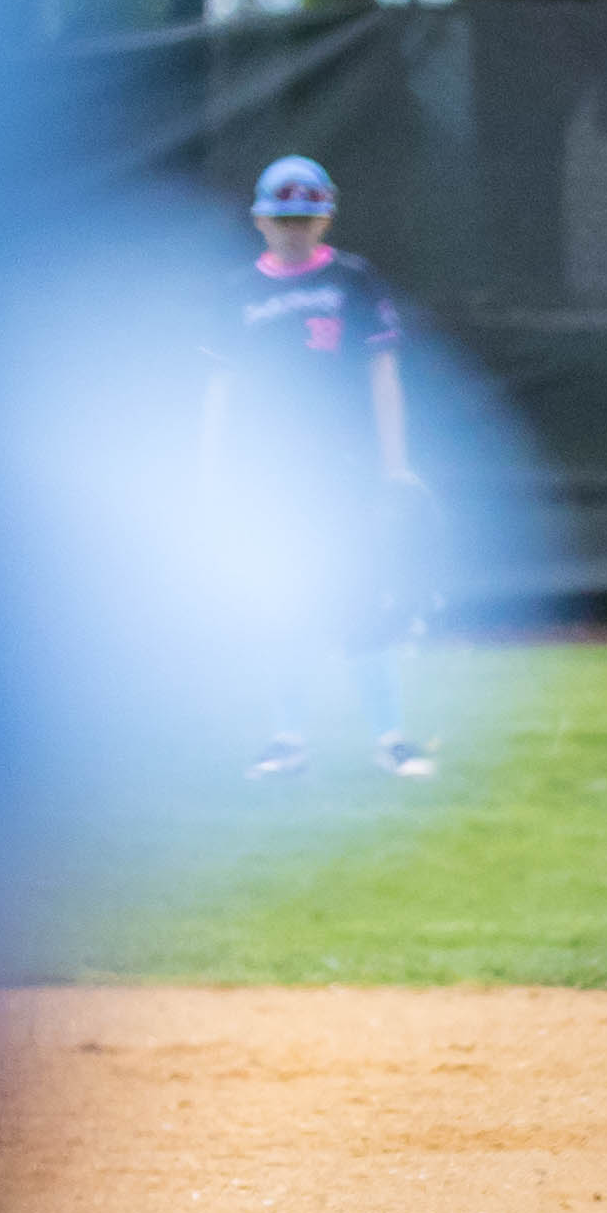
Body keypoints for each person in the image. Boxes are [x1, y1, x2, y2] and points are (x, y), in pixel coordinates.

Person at [202, 156, 434, 780]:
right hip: (271, 472)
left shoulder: (354, 280)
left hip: (347, 467)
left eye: (305, 218)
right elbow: (222, 387)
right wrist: (210, 474)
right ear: (259, 221)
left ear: (326, 217)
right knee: (282, 600)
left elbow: (383, 373)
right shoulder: (238, 292)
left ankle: (391, 737)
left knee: (364, 597)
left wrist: (395, 467)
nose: (294, 230)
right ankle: (287, 739)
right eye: (282, 219)